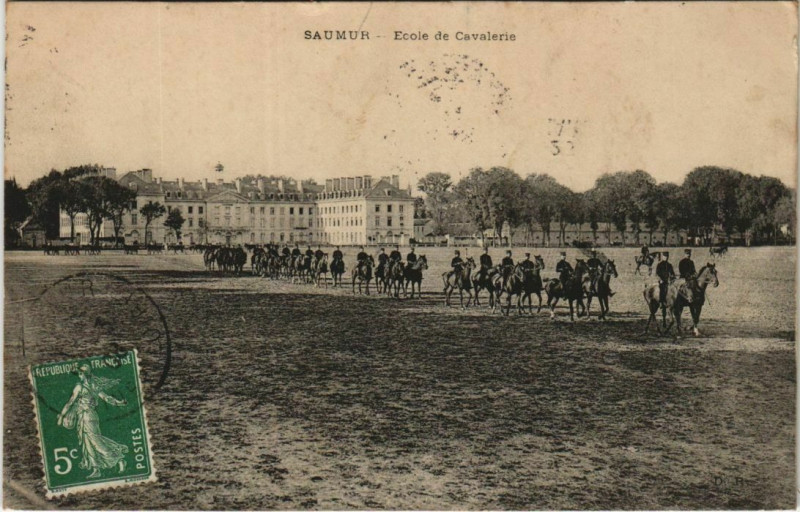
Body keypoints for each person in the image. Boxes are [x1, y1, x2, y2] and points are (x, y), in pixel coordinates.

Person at [57, 364, 129, 478]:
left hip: (86, 416)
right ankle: (96, 469)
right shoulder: (94, 386)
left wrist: (61, 416)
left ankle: (118, 459)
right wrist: (119, 403)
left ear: (85, 374)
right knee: (88, 442)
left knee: (96, 442)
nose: (79, 375)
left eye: (80, 373)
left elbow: (70, 402)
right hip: (90, 416)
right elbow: (106, 398)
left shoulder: (80, 387)